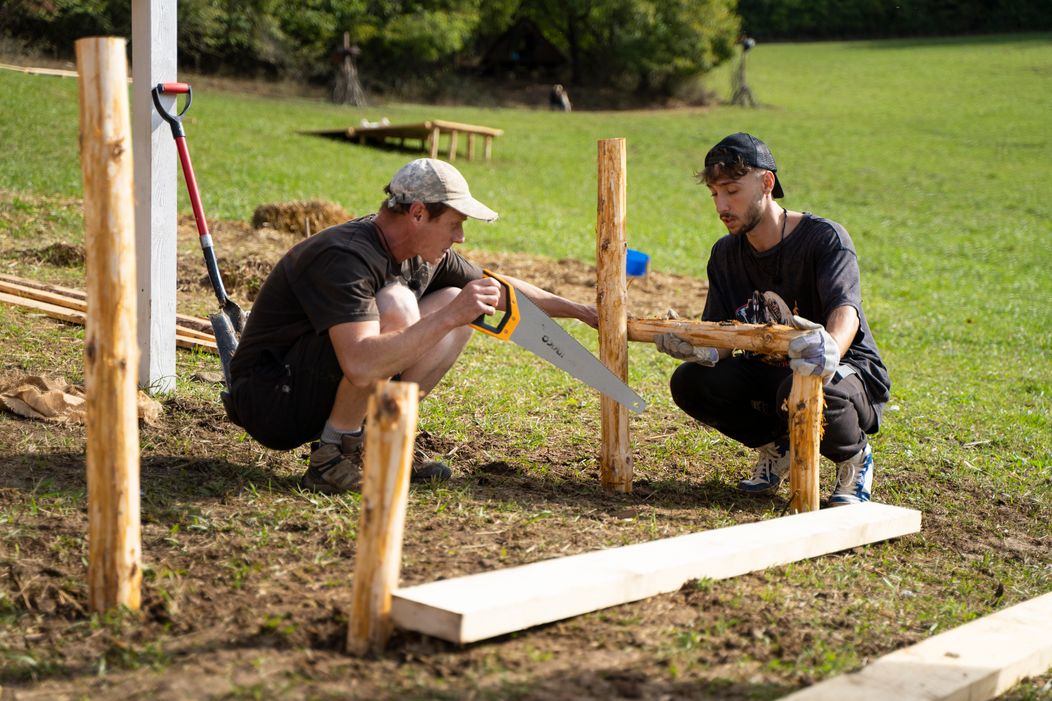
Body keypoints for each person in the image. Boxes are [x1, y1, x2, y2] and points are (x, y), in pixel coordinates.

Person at [225, 158, 597, 494]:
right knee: (402, 305)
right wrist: (449, 316)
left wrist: (579, 310)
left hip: (312, 384)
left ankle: (382, 440)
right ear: (418, 213)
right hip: (271, 399)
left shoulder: (421, 253)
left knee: (459, 299)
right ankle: (332, 457)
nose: (460, 237)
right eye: (454, 224)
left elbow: (498, 290)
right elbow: (360, 364)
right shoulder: (346, 257)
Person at [655, 133, 890, 506]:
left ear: (766, 183)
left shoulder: (824, 238)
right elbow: (722, 336)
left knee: (809, 383)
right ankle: (777, 447)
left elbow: (846, 310)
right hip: (769, 373)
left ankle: (854, 459)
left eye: (731, 190)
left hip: (846, 371)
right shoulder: (725, 255)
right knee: (690, 382)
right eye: (714, 193)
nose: (721, 205)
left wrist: (829, 348)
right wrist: (699, 349)